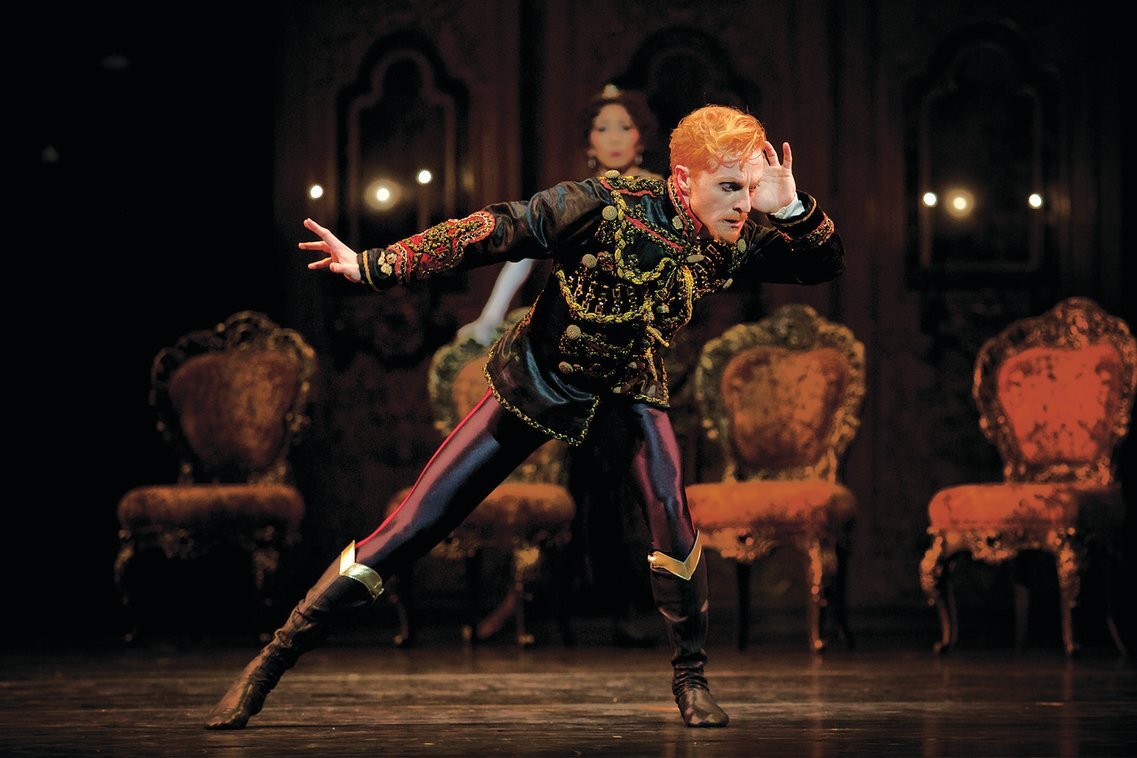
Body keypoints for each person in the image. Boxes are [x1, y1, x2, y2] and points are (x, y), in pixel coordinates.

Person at [205, 104, 844, 731]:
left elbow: (822, 263)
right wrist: (376, 264)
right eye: (731, 187)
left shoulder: (737, 233)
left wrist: (788, 205)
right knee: (413, 526)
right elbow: (493, 230)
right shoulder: (604, 205)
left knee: (672, 517)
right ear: (682, 179)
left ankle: (692, 678)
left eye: (751, 190)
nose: (742, 203)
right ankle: (274, 657)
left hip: (629, 385)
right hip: (539, 380)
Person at [457, 84, 663, 648]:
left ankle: (636, 610)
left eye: (624, 126)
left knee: (630, 489)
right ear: (589, 140)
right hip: (570, 360)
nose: (614, 138)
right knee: (566, 484)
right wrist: (489, 318)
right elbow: (523, 250)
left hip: (630, 359)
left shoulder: (664, 197)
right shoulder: (580, 196)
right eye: (603, 128)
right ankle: (538, 606)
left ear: (641, 135)